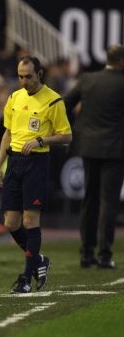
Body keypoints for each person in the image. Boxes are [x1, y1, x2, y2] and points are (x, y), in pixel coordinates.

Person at [0, 55, 72, 294]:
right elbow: (7, 133)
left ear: (39, 74)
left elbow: (66, 136)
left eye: (28, 76)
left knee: (30, 221)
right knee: (10, 223)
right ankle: (39, 260)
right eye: (20, 76)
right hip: (14, 162)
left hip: (37, 162)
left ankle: (26, 278)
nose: (23, 81)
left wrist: (41, 140)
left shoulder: (53, 101)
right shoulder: (14, 98)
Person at [63, 44, 124, 269]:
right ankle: (105, 255)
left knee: (89, 200)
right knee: (108, 202)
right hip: (115, 149)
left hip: (88, 146)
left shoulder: (88, 80)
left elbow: (65, 103)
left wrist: (76, 127)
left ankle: (86, 254)